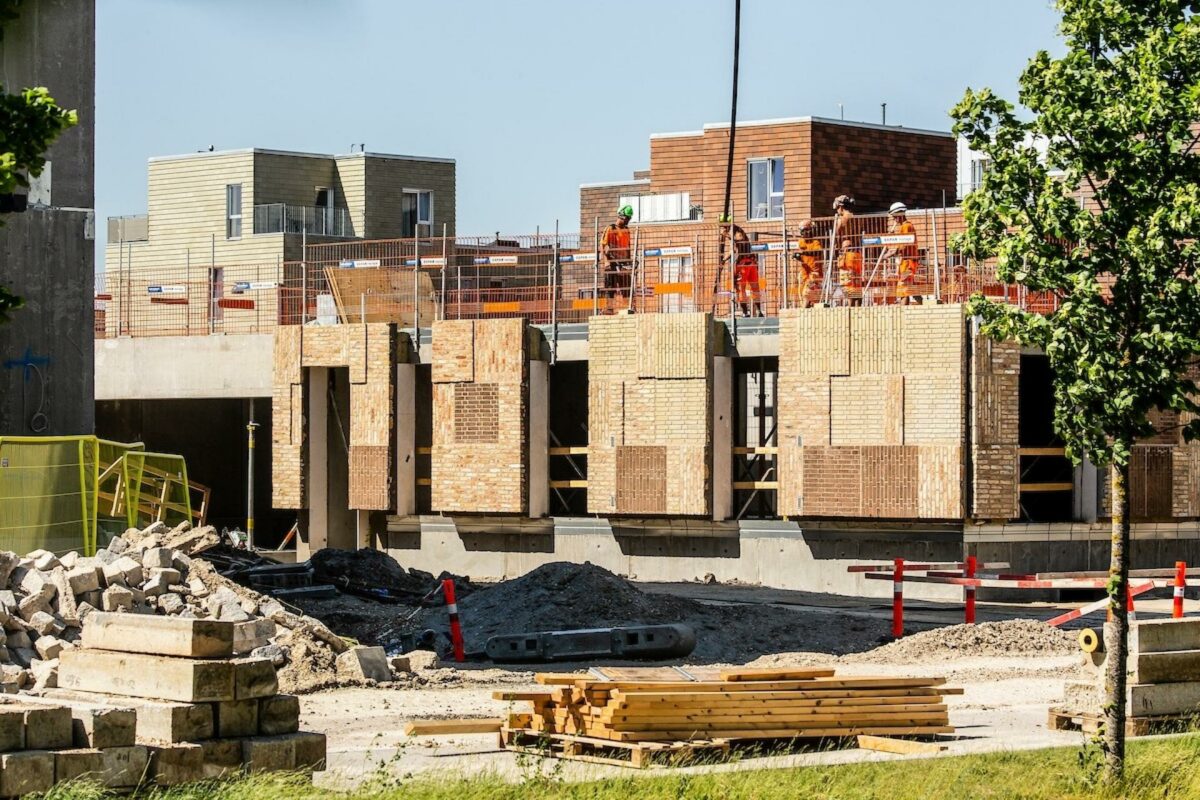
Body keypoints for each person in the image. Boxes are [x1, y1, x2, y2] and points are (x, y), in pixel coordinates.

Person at [718, 214, 762, 317]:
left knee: (741, 287)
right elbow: (733, 250)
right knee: (753, 287)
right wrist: (724, 259)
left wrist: (727, 235)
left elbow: (740, 240)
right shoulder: (734, 231)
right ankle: (756, 311)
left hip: (744, 264)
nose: (722, 229)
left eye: (723, 226)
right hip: (751, 263)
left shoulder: (736, 230)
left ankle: (746, 312)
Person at [881, 202, 921, 304]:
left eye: (894, 216)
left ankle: (903, 314)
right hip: (908, 262)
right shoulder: (905, 227)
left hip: (908, 263)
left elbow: (904, 245)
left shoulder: (906, 226)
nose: (894, 219)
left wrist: (891, 253)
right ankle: (921, 305)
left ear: (899, 214)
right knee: (909, 287)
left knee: (903, 289)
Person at [600, 205, 634, 309]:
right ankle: (609, 308)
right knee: (610, 287)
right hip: (612, 262)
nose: (628, 220)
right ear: (621, 216)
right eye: (627, 218)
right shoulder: (611, 228)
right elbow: (603, 245)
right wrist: (606, 262)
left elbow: (628, 247)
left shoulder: (627, 230)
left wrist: (629, 262)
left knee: (627, 287)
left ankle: (628, 307)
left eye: (629, 218)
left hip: (623, 263)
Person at [791, 219, 824, 307]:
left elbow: (818, 252)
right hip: (805, 273)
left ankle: (803, 311)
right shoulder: (801, 242)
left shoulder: (815, 242)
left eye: (804, 231)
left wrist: (804, 253)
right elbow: (802, 256)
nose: (803, 234)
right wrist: (797, 256)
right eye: (801, 231)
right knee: (805, 296)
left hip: (815, 273)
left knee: (807, 294)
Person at [836, 238, 863, 305]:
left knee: (857, 300)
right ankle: (850, 314)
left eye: (849, 246)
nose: (848, 248)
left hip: (855, 282)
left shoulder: (856, 255)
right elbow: (840, 265)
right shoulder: (842, 256)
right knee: (852, 300)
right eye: (846, 247)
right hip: (848, 283)